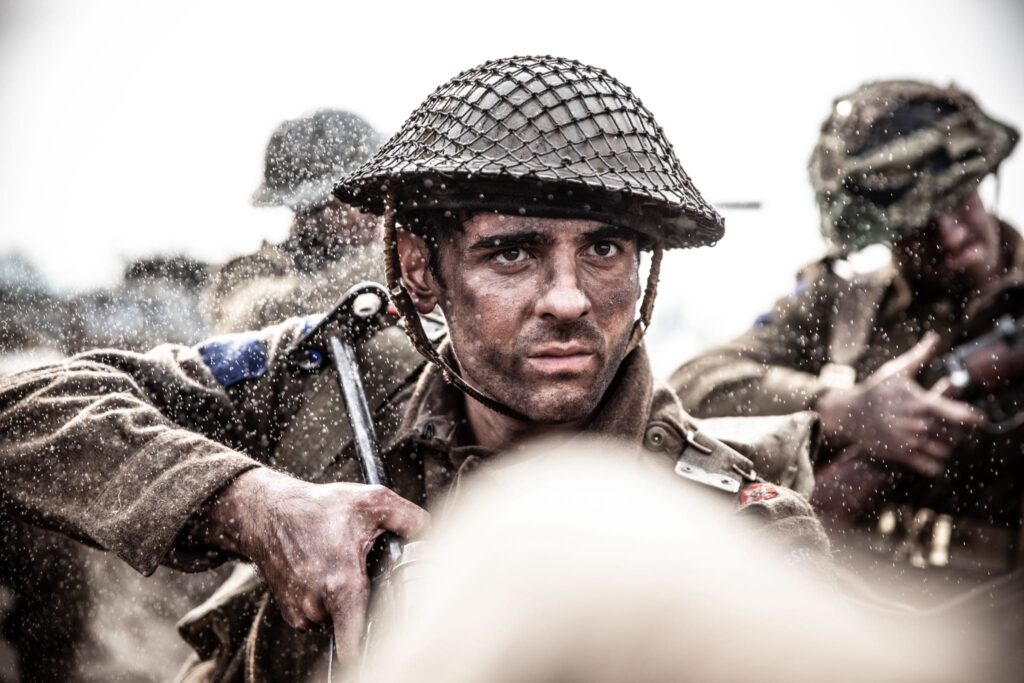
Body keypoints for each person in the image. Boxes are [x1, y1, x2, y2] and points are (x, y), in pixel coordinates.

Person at [0, 56, 826, 681]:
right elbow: (25, 404)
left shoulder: (747, 541)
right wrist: (252, 504)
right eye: (514, 252)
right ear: (421, 268)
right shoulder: (333, 376)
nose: (571, 298)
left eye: (605, 249)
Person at [670, 80, 1021, 605]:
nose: (950, 235)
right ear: (878, 227)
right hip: (844, 601)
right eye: (918, 224)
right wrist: (844, 410)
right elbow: (693, 387)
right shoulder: (841, 303)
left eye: (958, 200)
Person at [205, 109, 384, 333]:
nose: (376, 207)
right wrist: (384, 267)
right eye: (359, 193)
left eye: (377, 189)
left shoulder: (388, 255)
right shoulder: (255, 270)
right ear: (313, 208)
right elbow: (258, 316)